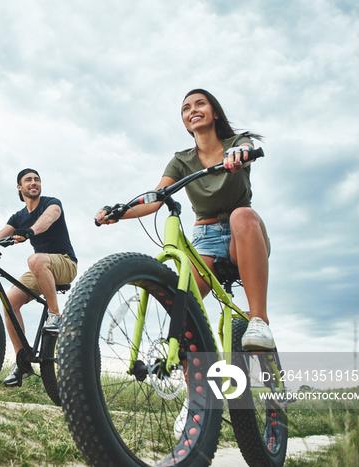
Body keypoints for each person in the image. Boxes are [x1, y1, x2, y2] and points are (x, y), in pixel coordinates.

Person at [97, 88, 274, 437]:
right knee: (184, 307)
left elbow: (247, 153)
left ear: (215, 113)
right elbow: (154, 199)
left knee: (242, 215)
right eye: (185, 108)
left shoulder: (236, 142)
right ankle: (194, 400)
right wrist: (120, 211)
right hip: (205, 239)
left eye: (200, 104)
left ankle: (259, 320)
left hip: (244, 236)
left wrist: (240, 154)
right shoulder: (181, 160)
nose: (192, 110)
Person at [0, 168, 78, 387]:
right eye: (28, 180)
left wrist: (30, 231)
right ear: (19, 187)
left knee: (34, 260)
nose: (34, 183)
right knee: (9, 303)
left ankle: (55, 315)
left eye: (37, 179)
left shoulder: (52, 203)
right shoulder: (19, 216)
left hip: (65, 263)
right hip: (41, 266)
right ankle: (22, 362)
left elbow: (48, 220)